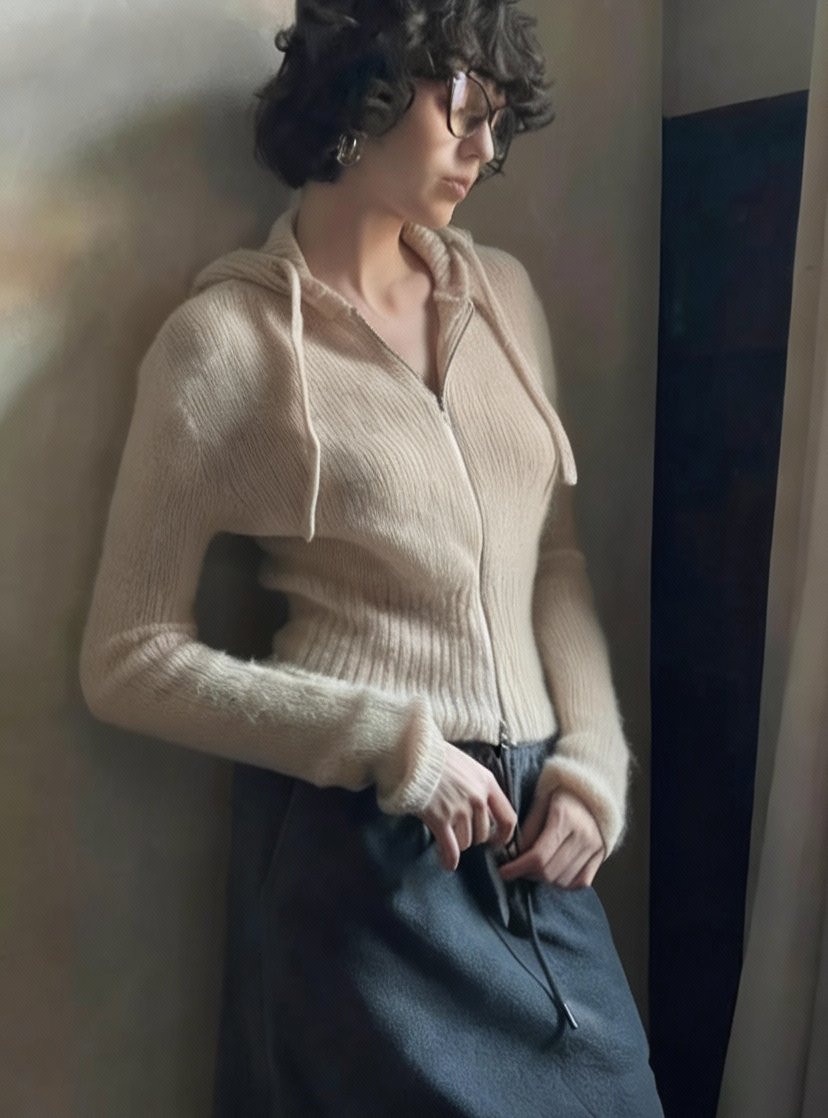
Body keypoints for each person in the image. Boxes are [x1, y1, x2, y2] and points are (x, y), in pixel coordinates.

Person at [80, 1, 665, 1115]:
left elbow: (551, 561)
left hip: (533, 828)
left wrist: (593, 765)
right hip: (367, 837)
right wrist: (389, 741)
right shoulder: (225, 345)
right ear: (366, 90)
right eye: (463, 106)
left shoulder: (502, 298)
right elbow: (127, 657)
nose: (485, 147)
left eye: (499, 118)